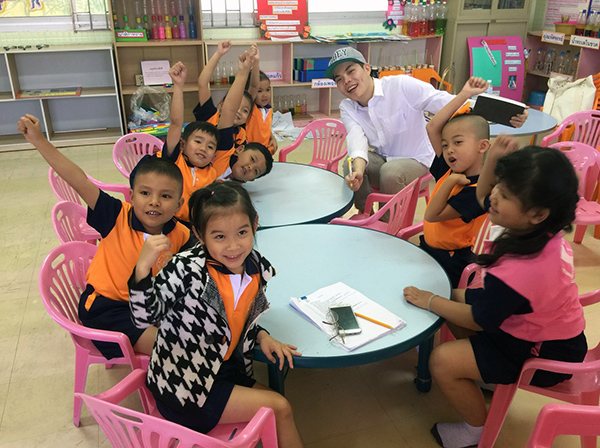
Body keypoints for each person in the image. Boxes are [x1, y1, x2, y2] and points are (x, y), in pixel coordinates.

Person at [403, 136, 587, 448]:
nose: (494, 199)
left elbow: (478, 318)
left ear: (537, 213)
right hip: (537, 328)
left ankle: (475, 431)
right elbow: (483, 196)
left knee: (442, 359)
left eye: (505, 195)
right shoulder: (538, 230)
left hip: (541, 354)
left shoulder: (525, 267)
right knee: (453, 300)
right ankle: (483, 372)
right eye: (499, 187)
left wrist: (431, 300)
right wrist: (493, 161)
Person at [128, 181, 304, 447]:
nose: (233, 246)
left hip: (223, 369)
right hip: (185, 388)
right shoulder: (184, 268)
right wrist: (142, 270)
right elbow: (143, 317)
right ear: (200, 234)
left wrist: (262, 335)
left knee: (278, 403)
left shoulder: (255, 266)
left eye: (242, 232)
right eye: (219, 236)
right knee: (280, 407)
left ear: (254, 225)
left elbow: (237, 317)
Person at [18, 114, 190, 358]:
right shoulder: (116, 215)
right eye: (145, 192)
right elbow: (78, 179)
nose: (154, 202)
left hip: (148, 305)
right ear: (131, 196)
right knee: (180, 351)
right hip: (107, 310)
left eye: (165, 196)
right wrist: (39, 140)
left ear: (178, 204)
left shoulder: (181, 233)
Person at [325, 46, 528, 212]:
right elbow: (356, 139)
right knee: (350, 166)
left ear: (367, 68)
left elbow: (441, 102)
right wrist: (358, 171)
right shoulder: (348, 107)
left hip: (418, 159)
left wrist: (506, 114)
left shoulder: (399, 85)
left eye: (351, 71)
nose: (347, 81)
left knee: (391, 172)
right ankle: (365, 214)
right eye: (339, 79)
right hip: (384, 157)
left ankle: (388, 229)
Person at [162, 54, 254, 225]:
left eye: (211, 146)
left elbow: (230, 111)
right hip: (168, 222)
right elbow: (176, 123)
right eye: (198, 142)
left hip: (198, 227)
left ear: (214, 156)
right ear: (182, 145)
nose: (204, 148)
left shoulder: (213, 172)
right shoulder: (175, 160)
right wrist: (178, 87)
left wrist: (243, 72)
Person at [419, 77, 491, 288]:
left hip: (451, 260)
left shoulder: (479, 192)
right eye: (446, 144)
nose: (449, 149)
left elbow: (432, 215)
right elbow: (433, 127)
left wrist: (450, 182)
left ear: (482, 146)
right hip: (429, 247)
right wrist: (464, 94)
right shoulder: (450, 168)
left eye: (458, 142)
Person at [195, 41, 274, 182]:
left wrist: (255, 63)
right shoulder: (213, 119)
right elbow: (203, 84)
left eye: (245, 110)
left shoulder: (239, 133)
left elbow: (254, 88)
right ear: (222, 105)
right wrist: (219, 54)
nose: (238, 112)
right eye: (236, 106)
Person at [246, 47, 278, 154]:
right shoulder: (250, 108)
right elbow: (253, 86)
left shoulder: (268, 110)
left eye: (268, 90)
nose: (265, 95)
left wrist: (272, 137)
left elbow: (265, 129)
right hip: (250, 153)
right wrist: (255, 63)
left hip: (264, 152)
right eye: (260, 91)